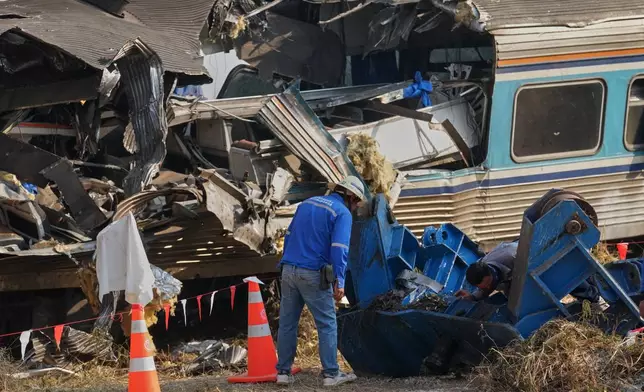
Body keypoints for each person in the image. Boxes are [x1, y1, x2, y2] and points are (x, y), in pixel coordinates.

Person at [275, 176, 366, 387]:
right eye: (356, 202)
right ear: (350, 196)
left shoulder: (308, 203)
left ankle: (282, 373)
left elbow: (288, 235)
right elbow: (339, 249)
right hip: (312, 273)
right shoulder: (341, 213)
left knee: (287, 323)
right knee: (326, 323)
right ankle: (331, 374)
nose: (355, 207)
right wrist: (340, 281)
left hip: (289, 269)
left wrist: (286, 263)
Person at [456, 241, 600, 302]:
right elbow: (486, 288)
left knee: (558, 276)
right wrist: (473, 297)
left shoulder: (514, 255)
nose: (488, 289)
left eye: (488, 284)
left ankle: (593, 299)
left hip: (534, 255)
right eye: (484, 288)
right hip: (512, 275)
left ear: (490, 273)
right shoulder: (485, 273)